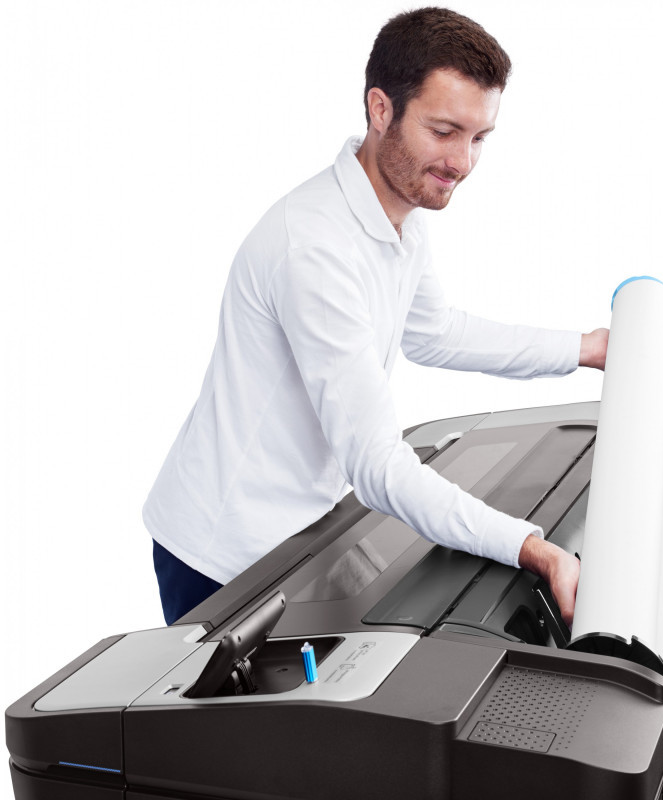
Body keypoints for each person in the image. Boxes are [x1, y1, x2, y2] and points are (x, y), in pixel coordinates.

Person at [144, 7, 608, 627]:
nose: (462, 162)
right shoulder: (314, 250)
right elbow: (377, 465)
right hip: (222, 553)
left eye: (478, 138)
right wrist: (532, 547)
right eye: (444, 131)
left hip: (302, 529)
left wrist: (586, 348)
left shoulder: (399, 212)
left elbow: (435, 332)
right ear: (381, 109)